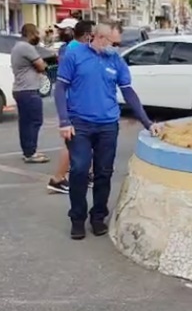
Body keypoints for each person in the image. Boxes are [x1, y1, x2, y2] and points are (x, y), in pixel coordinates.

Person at [54, 22, 160, 240]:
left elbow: (129, 92)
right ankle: (77, 218)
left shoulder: (116, 61)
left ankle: (98, 217)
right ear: (99, 37)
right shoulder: (74, 56)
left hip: (108, 125)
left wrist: (148, 122)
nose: (117, 47)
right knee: (80, 170)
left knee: (104, 172)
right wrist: (64, 121)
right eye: (115, 43)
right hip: (79, 124)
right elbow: (60, 88)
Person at [47, 20, 95, 194]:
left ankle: (88, 174)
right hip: (72, 102)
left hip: (78, 101)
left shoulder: (69, 48)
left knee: (86, 142)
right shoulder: (71, 50)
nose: (61, 32)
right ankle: (57, 179)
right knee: (72, 144)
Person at [12, 23, 50, 164]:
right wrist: (45, 66)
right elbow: (40, 65)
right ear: (30, 33)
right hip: (28, 90)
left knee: (25, 123)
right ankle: (31, 153)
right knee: (35, 121)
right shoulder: (26, 47)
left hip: (21, 90)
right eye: (36, 33)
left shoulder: (17, 47)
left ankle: (28, 151)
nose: (38, 37)